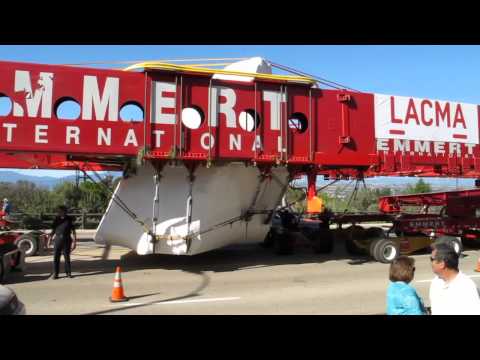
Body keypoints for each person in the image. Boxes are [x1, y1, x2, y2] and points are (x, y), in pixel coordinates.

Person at [429, 241, 480, 315]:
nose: (430, 263)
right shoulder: (435, 282)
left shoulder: (466, 287)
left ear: (442, 264)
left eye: (431, 259)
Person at [48, 205, 77, 279]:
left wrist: (74, 242)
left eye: (60, 211)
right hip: (57, 239)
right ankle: (56, 274)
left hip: (67, 240)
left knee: (67, 257)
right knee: (56, 257)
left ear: (65, 211)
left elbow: (73, 231)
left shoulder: (69, 219)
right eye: (58, 211)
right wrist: (49, 239)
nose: (59, 212)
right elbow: (53, 230)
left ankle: (68, 273)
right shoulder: (56, 219)